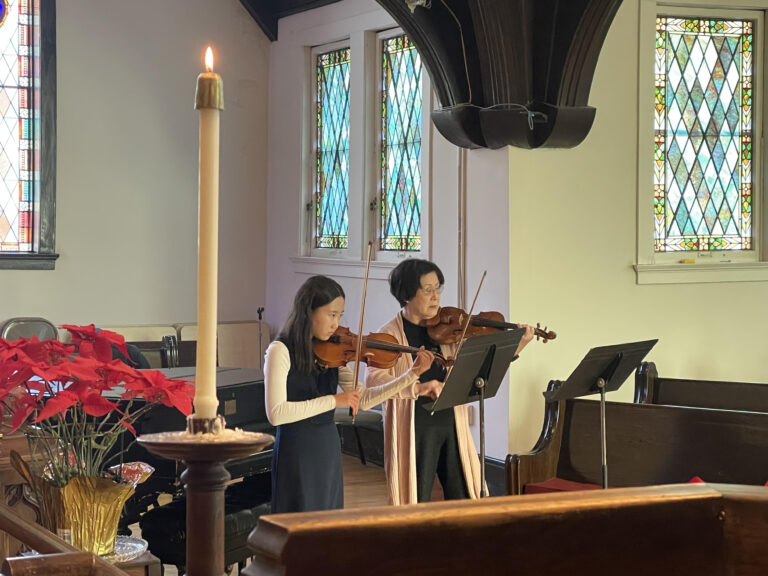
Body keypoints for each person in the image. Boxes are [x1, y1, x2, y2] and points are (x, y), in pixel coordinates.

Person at [264, 275, 438, 513]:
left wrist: (411, 375)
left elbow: (364, 399)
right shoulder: (280, 350)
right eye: (331, 314)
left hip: (327, 446)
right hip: (297, 450)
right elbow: (276, 414)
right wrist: (334, 401)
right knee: (299, 526)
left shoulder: (333, 352)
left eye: (340, 315)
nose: (336, 323)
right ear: (308, 312)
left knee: (327, 524)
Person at [366, 259, 535, 505]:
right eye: (428, 290)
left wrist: (519, 344)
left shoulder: (448, 330)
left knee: (464, 494)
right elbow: (375, 383)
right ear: (406, 294)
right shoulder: (388, 336)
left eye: (438, 288)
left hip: (451, 421)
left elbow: (479, 367)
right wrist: (419, 386)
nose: (436, 297)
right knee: (415, 498)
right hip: (414, 425)